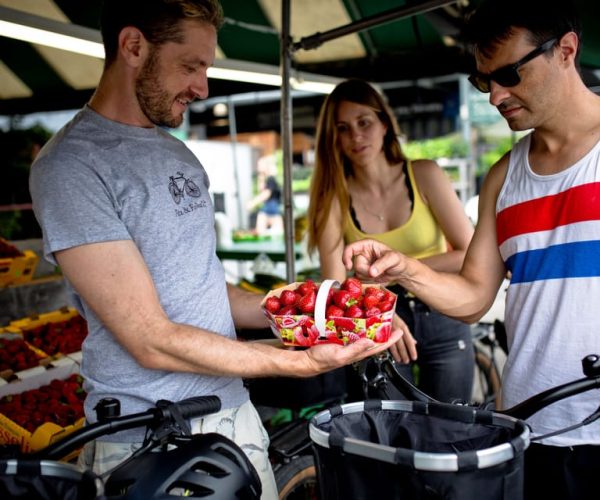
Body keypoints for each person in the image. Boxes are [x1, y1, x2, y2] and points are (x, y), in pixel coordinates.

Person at [28, 1, 401, 497]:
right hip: (148, 436)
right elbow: (149, 338)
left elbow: (202, 286)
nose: (203, 87)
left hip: (233, 417)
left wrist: (320, 312)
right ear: (133, 46)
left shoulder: (177, 154)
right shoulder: (72, 166)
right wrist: (296, 361)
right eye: (191, 66)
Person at [342, 1, 600, 498]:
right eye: (485, 81)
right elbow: (474, 297)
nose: (496, 96)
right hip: (530, 428)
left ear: (566, 50)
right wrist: (407, 271)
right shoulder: (503, 177)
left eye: (509, 74)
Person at [306, 79, 475, 403]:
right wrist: (379, 314)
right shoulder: (333, 199)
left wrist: (397, 270)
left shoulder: (424, 174)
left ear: (384, 123)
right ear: (334, 139)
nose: (355, 136)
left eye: (364, 122)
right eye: (343, 128)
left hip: (442, 312)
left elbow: (469, 252)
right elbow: (334, 285)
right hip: (377, 321)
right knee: (391, 438)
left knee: (452, 432)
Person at [247, 154, 283, 237]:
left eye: (260, 165)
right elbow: (261, 190)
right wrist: (261, 176)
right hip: (270, 210)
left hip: (272, 210)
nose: (258, 167)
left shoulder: (271, 179)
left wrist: (252, 203)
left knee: (273, 235)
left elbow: (266, 194)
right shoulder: (267, 179)